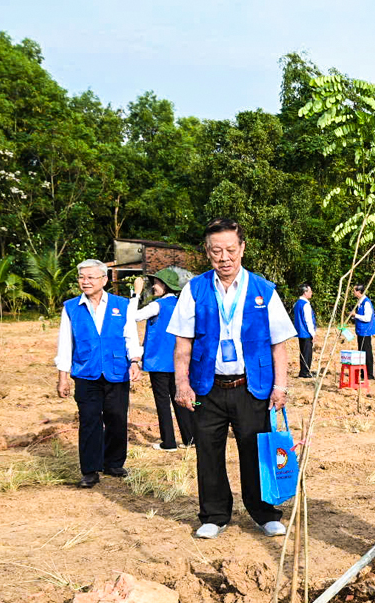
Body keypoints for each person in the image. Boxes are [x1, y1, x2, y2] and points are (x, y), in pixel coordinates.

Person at [167, 218, 297, 538]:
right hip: (207, 387)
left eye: (229, 250)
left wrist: (280, 385)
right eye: (216, 251)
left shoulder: (263, 290)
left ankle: (264, 513)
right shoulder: (194, 289)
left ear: (242, 248)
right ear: (207, 252)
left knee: (255, 451)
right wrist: (181, 384)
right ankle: (214, 515)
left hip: (251, 387)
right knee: (208, 452)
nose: (223, 257)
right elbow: (183, 342)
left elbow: (279, 343)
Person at [55, 259, 142, 488]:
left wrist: (134, 361)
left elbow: (130, 336)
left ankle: (113, 462)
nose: (85, 282)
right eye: (82, 277)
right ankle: (90, 470)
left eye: (91, 277)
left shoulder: (122, 305)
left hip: (116, 371)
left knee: (117, 417)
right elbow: (65, 344)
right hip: (86, 373)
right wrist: (63, 377)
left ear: (104, 280)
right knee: (89, 420)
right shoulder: (71, 307)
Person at [132, 269, 195, 451]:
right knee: (180, 399)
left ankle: (168, 442)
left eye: (156, 283)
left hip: (159, 362)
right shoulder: (181, 305)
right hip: (179, 362)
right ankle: (190, 438)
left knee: (162, 402)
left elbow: (134, 316)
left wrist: (136, 294)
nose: (153, 286)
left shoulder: (157, 305)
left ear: (165, 285)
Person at [350, 283, 375, 380]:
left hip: (366, 331)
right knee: (361, 352)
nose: (353, 292)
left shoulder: (366, 303)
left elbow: (367, 318)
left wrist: (355, 315)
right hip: (360, 331)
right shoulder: (360, 302)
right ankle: (363, 372)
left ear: (359, 291)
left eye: (354, 290)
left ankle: (369, 374)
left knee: (367, 352)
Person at [291, 283, 316, 378]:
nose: (311, 293)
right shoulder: (305, 305)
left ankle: (304, 370)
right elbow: (308, 320)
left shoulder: (297, 303)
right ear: (305, 292)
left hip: (300, 332)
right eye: (310, 291)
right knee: (307, 353)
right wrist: (313, 333)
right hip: (306, 332)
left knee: (303, 352)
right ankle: (305, 372)